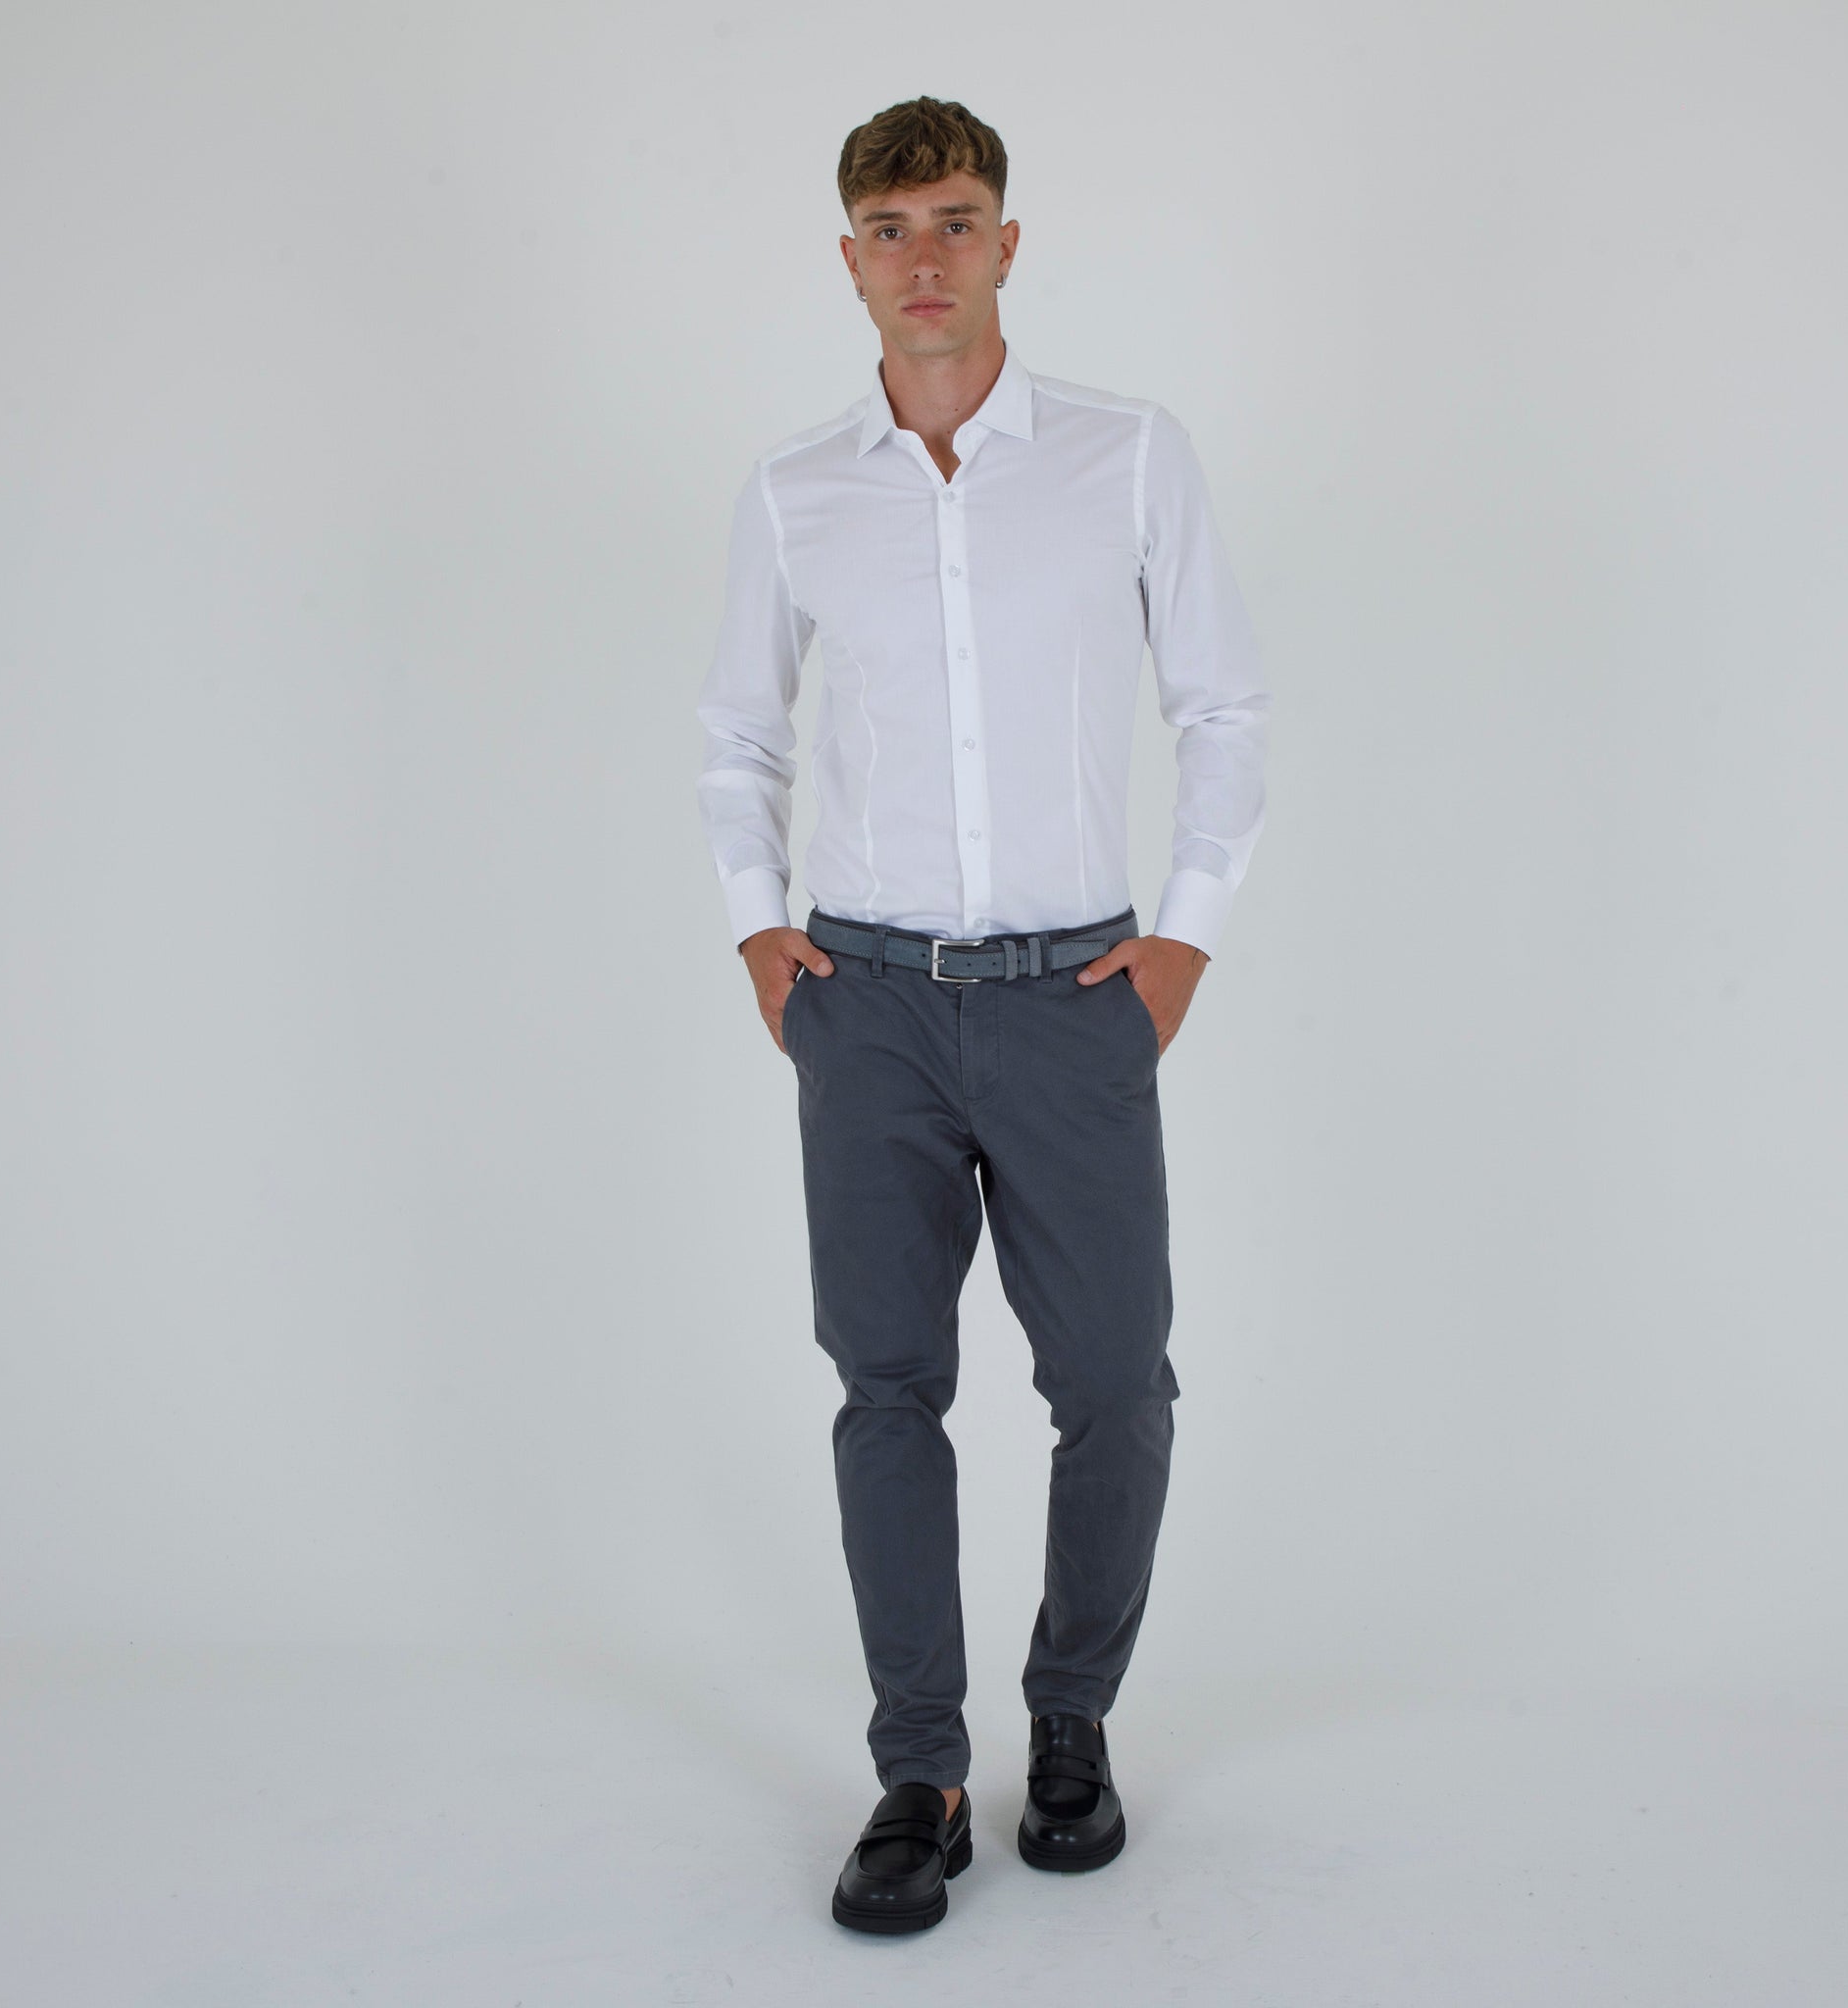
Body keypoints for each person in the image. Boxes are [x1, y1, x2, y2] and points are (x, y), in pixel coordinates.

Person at [694, 95, 1272, 1933]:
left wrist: (1184, 942)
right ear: (849, 258)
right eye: (889, 228)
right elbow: (739, 737)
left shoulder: (1127, 455)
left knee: (1115, 1383)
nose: (923, 257)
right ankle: (920, 1771)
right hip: (862, 1003)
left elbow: (1223, 711)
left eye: (953, 220)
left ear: (1008, 242)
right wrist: (761, 934)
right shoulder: (796, 491)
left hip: (1075, 998)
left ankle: (1072, 1719)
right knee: (887, 1386)